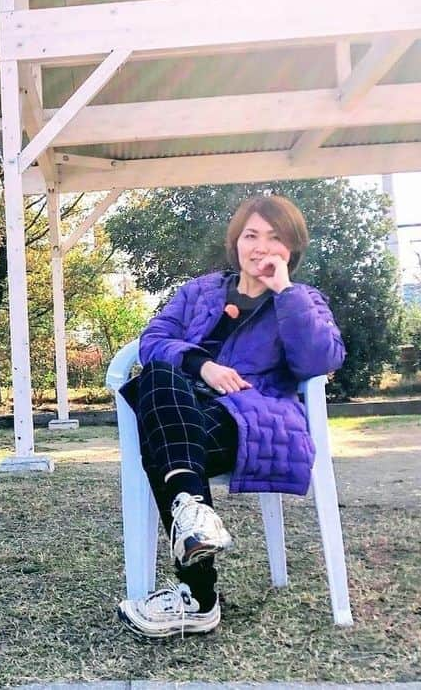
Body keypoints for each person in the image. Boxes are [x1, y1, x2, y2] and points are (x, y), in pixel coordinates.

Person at [116, 194, 344, 639]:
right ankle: (193, 515)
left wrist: (285, 293)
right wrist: (203, 365)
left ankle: (199, 597)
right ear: (236, 242)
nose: (261, 247)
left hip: (251, 421)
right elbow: (153, 339)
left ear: (291, 248)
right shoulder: (199, 291)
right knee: (160, 376)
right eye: (251, 236)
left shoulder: (304, 300)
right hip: (182, 405)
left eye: (274, 238)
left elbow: (319, 361)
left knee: (168, 436)